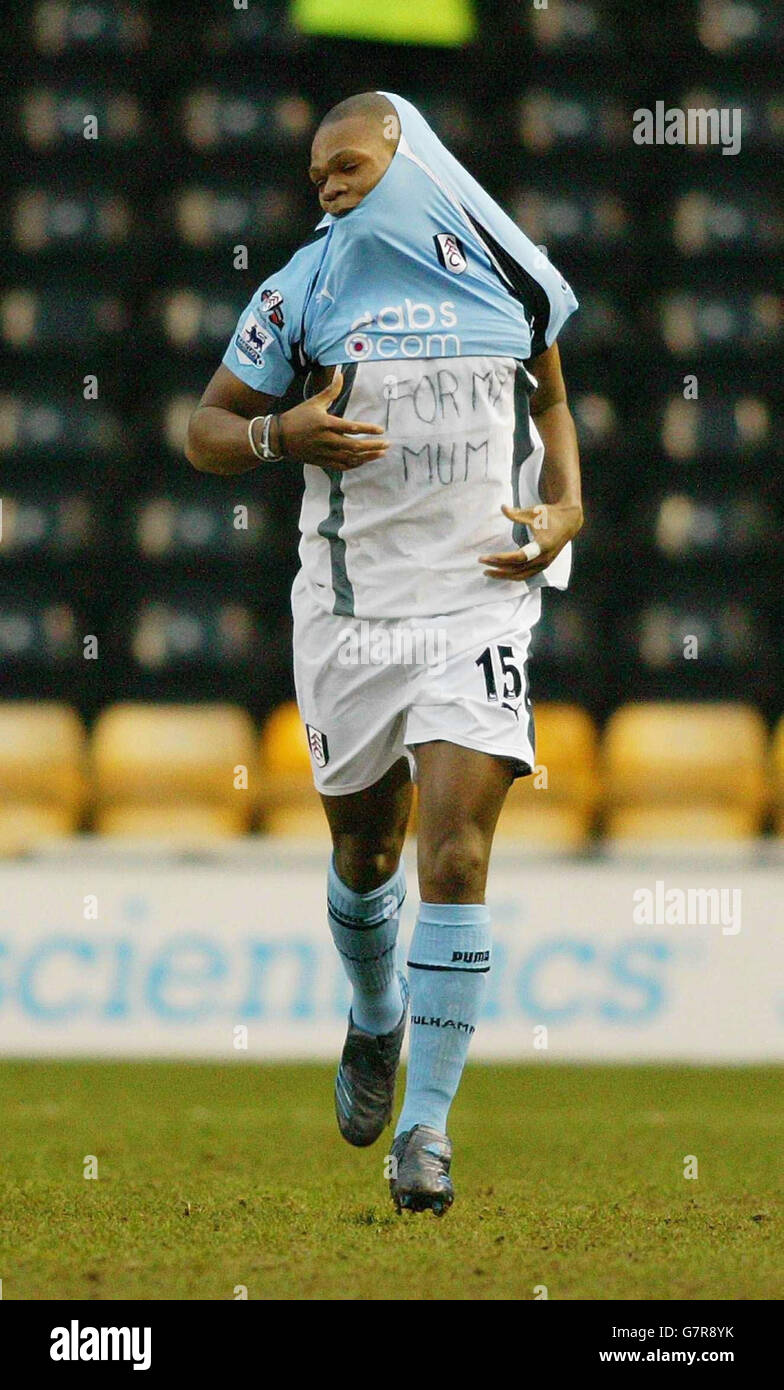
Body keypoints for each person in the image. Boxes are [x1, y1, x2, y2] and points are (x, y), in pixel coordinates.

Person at [186, 91, 582, 1216]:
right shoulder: (303, 286)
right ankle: (374, 1022)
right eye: (314, 173)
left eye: (344, 160)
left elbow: (546, 387)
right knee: (368, 853)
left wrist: (566, 503)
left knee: (454, 857)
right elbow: (204, 428)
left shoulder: (505, 263)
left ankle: (428, 1130)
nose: (326, 181)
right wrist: (280, 433)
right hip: (353, 616)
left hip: (480, 599)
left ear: (404, 149)